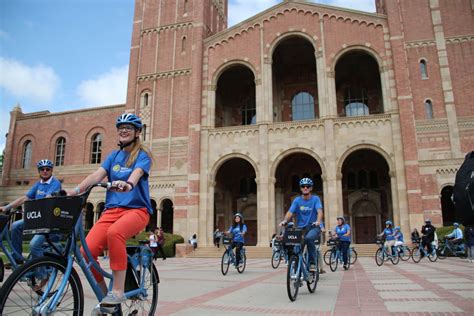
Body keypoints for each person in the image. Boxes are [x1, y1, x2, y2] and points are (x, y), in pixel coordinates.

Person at [67, 113, 153, 306]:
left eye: (129, 127)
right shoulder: (113, 156)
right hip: (111, 211)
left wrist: (128, 184)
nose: (123, 130)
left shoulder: (142, 155)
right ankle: (106, 298)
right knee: (85, 252)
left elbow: (137, 173)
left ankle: (118, 291)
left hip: (136, 210)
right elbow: (97, 175)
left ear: (137, 132)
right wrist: (74, 191)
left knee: (115, 233)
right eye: (121, 127)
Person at [0, 159, 62, 269]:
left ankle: (41, 274)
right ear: (39, 171)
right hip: (36, 217)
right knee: (15, 226)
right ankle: (17, 257)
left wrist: (31, 207)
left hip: (47, 221)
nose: (45, 171)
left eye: (47, 169)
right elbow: (25, 197)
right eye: (42, 169)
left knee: (34, 245)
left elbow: (48, 198)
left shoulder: (55, 183)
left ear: (51, 170)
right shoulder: (38, 184)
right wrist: (7, 207)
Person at [280, 177, 323, 272]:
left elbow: (319, 211)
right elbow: (290, 212)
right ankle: (296, 265)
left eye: (308, 186)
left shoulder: (316, 199)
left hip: (314, 227)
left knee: (308, 238)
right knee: (296, 247)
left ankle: (312, 263)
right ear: (300, 188)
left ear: (311, 188)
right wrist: (285, 221)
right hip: (301, 228)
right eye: (303, 186)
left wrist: (318, 221)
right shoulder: (297, 200)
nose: (305, 188)